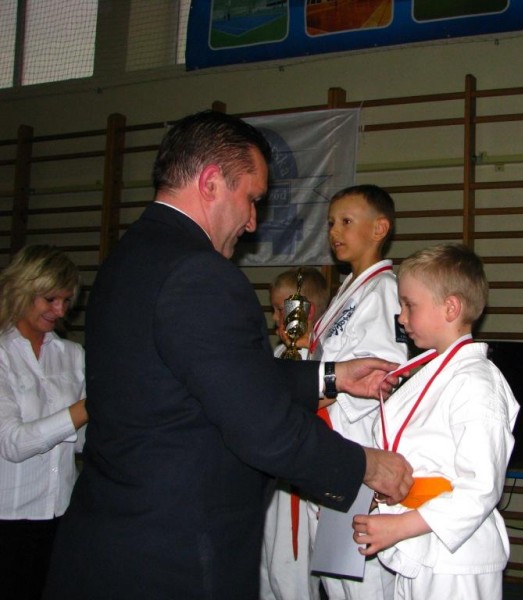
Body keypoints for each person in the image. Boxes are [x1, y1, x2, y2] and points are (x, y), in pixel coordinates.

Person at [43, 110, 413, 600]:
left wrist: (330, 377)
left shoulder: (129, 257)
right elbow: (262, 426)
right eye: (252, 199)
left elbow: (214, 377)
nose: (253, 221)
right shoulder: (198, 274)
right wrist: (365, 466)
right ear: (212, 183)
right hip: (176, 554)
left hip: (116, 533)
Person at [352, 244, 520, 600]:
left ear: (451, 308)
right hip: (422, 544)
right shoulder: (433, 373)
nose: (401, 317)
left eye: (409, 305)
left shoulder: (477, 382)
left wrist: (400, 526)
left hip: (456, 557)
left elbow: (480, 487)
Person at [307, 184, 409, 600]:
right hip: (329, 445)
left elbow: (382, 374)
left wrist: (320, 394)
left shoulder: (384, 290)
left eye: (346, 222)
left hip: (356, 449)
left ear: (379, 229)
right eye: (331, 223)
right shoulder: (349, 290)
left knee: (362, 581)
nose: (335, 231)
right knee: (337, 577)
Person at [0, 245, 88, 600]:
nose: (60, 311)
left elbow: (82, 441)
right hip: (7, 520)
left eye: (66, 301)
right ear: (23, 290)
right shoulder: (3, 355)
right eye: (50, 299)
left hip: (61, 516)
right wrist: (86, 408)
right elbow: (13, 443)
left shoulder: (73, 355)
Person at [261, 267, 330, 600]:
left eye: (281, 309)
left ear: (305, 311)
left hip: (298, 488)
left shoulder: (320, 357)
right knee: (266, 571)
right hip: (271, 481)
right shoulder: (276, 354)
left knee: (290, 574)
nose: (276, 317)